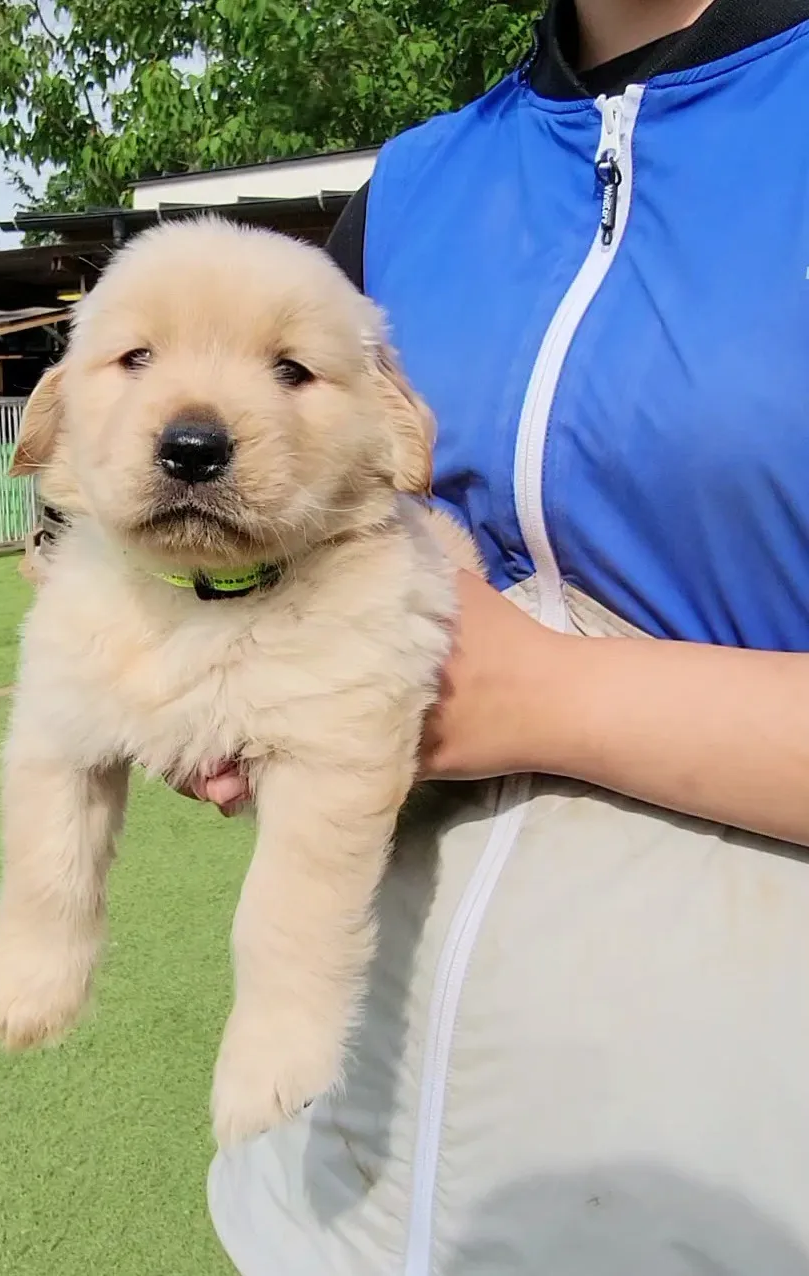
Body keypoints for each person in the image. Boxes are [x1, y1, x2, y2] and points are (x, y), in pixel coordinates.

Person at [189, 1, 809, 1271]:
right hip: (332, 1192)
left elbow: (478, 679)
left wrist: (542, 697)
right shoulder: (414, 184)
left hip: (731, 1195)